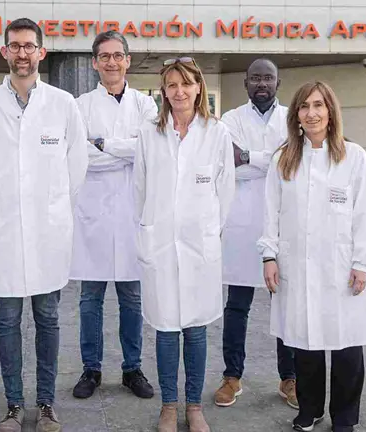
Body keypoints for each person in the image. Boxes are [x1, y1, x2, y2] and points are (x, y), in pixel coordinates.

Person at [0, 18, 88, 432]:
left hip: (48, 232)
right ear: (4, 52)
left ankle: (46, 404)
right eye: (15, 46)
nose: (22, 53)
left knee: (48, 320)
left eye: (29, 46)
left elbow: (77, 166)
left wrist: (54, 207)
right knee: (6, 321)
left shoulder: (62, 104)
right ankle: (13, 404)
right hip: (5, 232)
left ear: (41, 52)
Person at [258, 81, 366, 432]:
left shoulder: (353, 157)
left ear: (330, 112)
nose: (311, 113)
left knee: (346, 348)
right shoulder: (284, 158)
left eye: (318, 105)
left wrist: (361, 262)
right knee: (305, 342)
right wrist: (269, 255)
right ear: (295, 115)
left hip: (341, 267)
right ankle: (309, 410)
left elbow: (363, 213)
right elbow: (271, 212)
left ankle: (344, 417)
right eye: (304, 106)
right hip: (297, 265)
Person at [134, 57, 235, 432]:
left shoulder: (216, 132)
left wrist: (208, 230)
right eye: (172, 85)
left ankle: (194, 406)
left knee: (195, 328)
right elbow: (139, 188)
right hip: (159, 243)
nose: (179, 91)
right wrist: (147, 230)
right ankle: (169, 406)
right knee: (164, 329)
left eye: (186, 84)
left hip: (199, 247)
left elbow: (225, 191)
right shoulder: (149, 132)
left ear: (198, 88)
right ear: (164, 91)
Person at [70, 31, 158, 400]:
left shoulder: (147, 105)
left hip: (131, 215)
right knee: (90, 300)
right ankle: (91, 370)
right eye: (104, 56)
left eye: (117, 55)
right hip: (92, 216)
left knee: (132, 300)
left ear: (128, 60)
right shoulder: (79, 105)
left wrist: (102, 143)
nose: (111, 62)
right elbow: (79, 156)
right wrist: (125, 152)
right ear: (94, 62)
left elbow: (149, 150)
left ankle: (132, 369)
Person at [215, 58, 298, 409]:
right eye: (255, 78)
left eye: (268, 78)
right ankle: (232, 376)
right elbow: (230, 164)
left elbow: (293, 160)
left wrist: (250, 156)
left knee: (286, 304)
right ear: (246, 83)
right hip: (243, 223)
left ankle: (290, 378)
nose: (261, 83)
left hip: (285, 223)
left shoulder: (292, 119)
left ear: (278, 84)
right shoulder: (231, 119)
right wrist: (271, 160)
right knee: (237, 306)